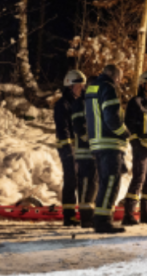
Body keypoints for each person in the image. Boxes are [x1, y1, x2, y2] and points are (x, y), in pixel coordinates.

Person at [85, 64, 131, 234]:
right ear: (112, 75)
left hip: (97, 142)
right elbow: (111, 117)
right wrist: (124, 133)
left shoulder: (92, 88)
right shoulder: (108, 88)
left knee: (105, 182)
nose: (119, 82)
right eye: (119, 78)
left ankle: (100, 219)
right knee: (111, 182)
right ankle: (103, 221)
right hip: (109, 143)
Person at [122, 70, 147, 226]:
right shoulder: (135, 102)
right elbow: (129, 126)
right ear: (142, 84)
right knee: (138, 179)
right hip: (142, 149)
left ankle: (146, 212)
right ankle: (129, 214)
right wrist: (136, 144)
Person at [54, 70, 87, 226]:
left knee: (82, 179)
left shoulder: (81, 103)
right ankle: (69, 215)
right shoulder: (62, 104)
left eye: (82, 84)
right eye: (78, 84)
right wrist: (68, 147)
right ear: (69, 86)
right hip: (68, 147)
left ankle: (83, 212)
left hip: (81, 148)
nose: (81, 87)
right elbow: (63, 128)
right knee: (71, 179)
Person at [71, 74, 97, 228]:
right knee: (86, 184)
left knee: (94, 184)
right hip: (85, 152)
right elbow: (79, 127)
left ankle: (90, 215)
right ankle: (86, 217)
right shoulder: (80, 104)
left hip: (96, 152)